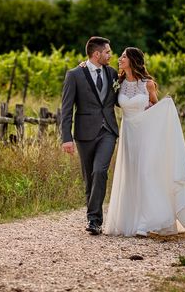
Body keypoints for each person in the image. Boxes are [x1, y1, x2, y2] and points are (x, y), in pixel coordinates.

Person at [103, 47, 185, 237]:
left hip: (145, 133)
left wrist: (166, 107)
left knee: (145, 173)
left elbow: (155, 108)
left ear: (133, 60)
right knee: (130, 174)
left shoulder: (147, 84)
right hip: (128, 133)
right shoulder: (119, 82)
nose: (120, 58)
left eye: (123, 56)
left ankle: (145, 223)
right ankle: (128, 221)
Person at [61, 36, 119, 235]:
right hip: (84, 133)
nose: (110, 55)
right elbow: (66, 109)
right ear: (97, 54)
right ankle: (92, 218)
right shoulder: (74, 75)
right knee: (89, 178)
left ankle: (95, 220)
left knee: (99, 171)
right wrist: (66, 138)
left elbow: (121, 98)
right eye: (108, 52)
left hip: (108, 131)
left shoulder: (112, 74)